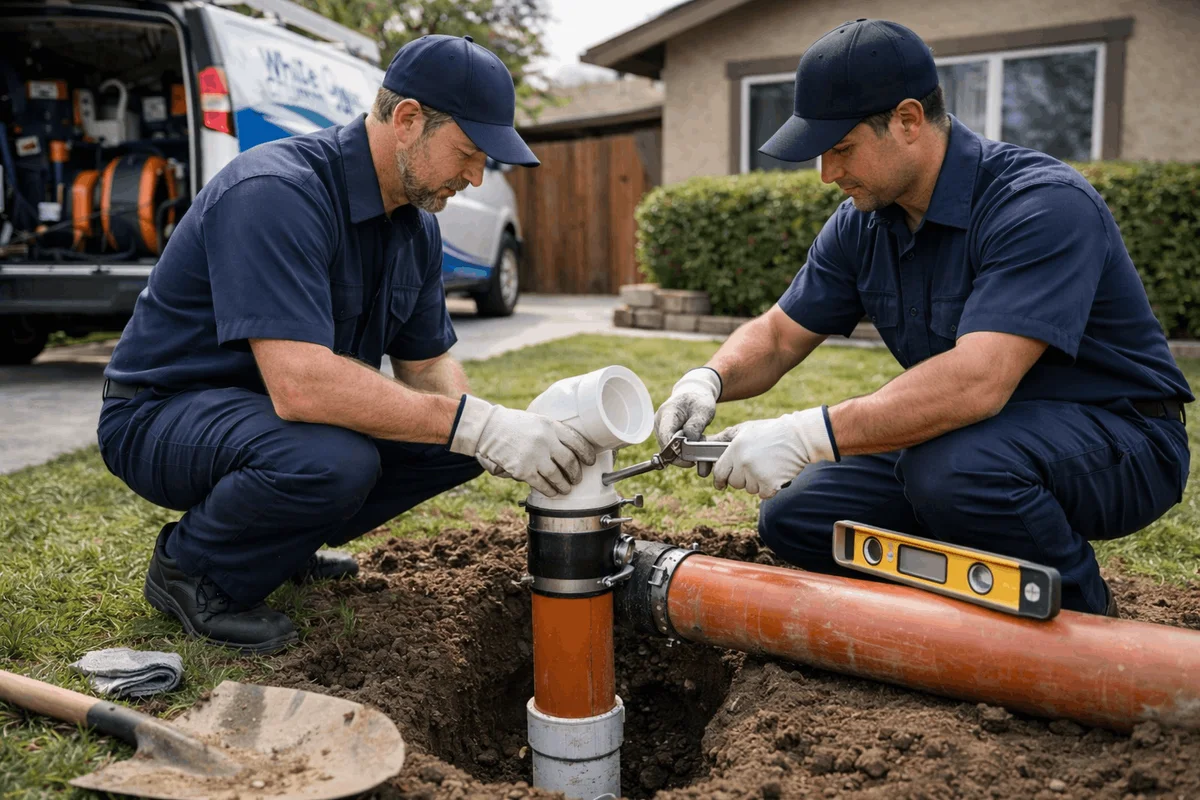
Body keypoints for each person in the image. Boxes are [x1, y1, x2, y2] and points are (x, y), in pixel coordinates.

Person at [654, 19, 1191, 616]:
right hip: (973, 437)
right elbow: (780, 335)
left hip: (1121, 437)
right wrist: (708, 380)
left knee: (953, 474)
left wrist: (806, 435)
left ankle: (1089, 630)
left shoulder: (1039, 203)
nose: (827, 174)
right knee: (801, 517)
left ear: (908, 121)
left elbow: (977, 382)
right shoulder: (864, 222)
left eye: (841, 148)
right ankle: (955, 616)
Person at [97, 35, 595, 653]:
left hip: (274, 418)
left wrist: (487, 430)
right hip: (162, 414)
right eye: (469, 152)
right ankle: (192, 570)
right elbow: (302, 385)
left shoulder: (414, 226)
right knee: (337, 461)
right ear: (408, 120)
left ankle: (279, 544)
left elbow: (428, 362)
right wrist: (475, 425)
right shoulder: (277, 191)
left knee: (457, 443)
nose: (475, 176)